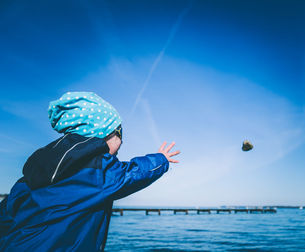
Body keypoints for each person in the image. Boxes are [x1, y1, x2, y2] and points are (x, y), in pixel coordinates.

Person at [0, 91, 180, 251]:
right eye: (120, 135)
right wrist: (161, 159)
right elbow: (131, 174)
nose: (121, 145)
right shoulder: (96, 170)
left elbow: (6, 215)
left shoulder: (37, 169)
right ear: (105, 133)